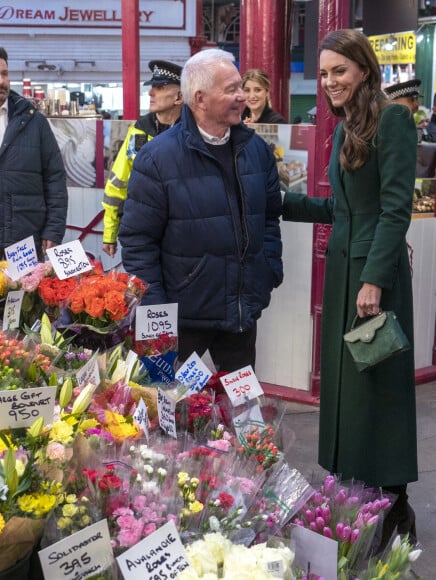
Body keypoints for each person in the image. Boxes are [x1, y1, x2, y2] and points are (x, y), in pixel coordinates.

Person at [282, 29, 417, 549]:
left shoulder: (395, 120)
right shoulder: (344, 129)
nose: (330, 81)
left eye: (339, 70)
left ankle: (394, 506)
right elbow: (341, 210)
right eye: (323, 73)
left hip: (371, 285)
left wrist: (374, 279)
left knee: (377, 393)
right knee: (347, 394)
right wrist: (279, 202)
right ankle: (356, 501)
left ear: (363, 68)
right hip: (344, 278)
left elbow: (394, 208)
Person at [119, 48, 283, 372]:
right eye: (232, 89)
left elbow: (268, 218)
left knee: (243, 410)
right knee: (168, 412)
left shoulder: (257, 152)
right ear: (200, 98)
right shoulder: (156, 158)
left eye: (242, 87)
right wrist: (155, 312)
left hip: (239, 316)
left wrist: (268, 271)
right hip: (181, 321)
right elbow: (138, 242)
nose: (242, 96)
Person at [0, 46, 67, 258]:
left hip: (24, 238)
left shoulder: (34, 121)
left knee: (25, 292)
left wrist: (54, 230)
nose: (0, 80)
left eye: (4, 74)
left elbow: (55, 178)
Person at [101, 60, 183, 258]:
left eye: (160, 87)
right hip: (142, 233)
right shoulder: (139, 131)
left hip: (182, 238)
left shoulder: (193, 133)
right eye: (152, 87)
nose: (150, 93)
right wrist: (109, 233)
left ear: (180, 96)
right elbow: (117, 184)